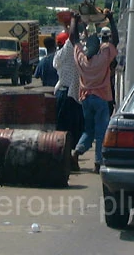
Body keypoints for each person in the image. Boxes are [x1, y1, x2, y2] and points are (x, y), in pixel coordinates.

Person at [70, 10, 119, 174]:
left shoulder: (81, 59)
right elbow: (116, 41)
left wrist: (74, 21)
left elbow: (73, 40)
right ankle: (98, 162)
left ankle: (77, 152)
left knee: (88, 130)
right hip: (101, 97)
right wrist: (111, 19)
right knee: (101, 131)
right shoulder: (103, 56)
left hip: (85, 98)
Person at [53, 30, 85, 170]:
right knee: (72, 130)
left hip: (63, 94)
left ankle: (65, 159)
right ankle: (69, 159)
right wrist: (74, 23)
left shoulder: (58, 56)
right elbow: (71, 40)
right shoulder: (67, 53)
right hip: (70, 96)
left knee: (63, 129)